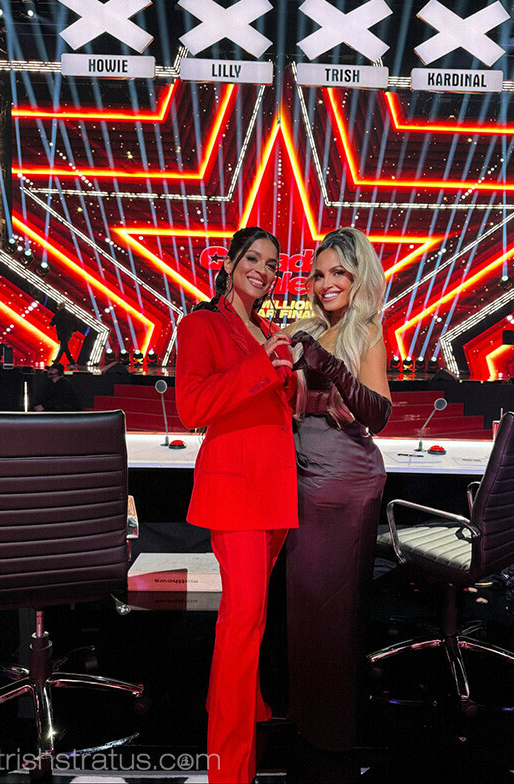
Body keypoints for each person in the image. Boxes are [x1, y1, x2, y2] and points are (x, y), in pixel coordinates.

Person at [174, 227, 298, 784]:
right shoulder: (200, 325)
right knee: (243, 622)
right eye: (253, 258)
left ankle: (246, 706)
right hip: (235, 493)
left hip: (274, 489)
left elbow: (276, 407)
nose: (263, 271)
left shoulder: (269, 330)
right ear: (227, 264)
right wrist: (263, 365)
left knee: (252, 616)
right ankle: (228, 768)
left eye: (272, 264)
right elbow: (192, 407)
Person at [284, 227, 392, 753]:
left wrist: (331, 368)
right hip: (303, 480)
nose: (325, 283)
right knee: (306, 604)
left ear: (359, 276)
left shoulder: (365, 331)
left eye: (338, 273)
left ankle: (333, 733)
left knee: (335, 607)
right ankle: (308, 719)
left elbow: (379, 414)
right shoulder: (306, 328)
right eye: (318, 274)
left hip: (345, 483)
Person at [50, 302, 77, 368]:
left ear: (60, 307)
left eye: (58, 307)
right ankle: (59, 360)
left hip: (62, 333)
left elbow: (52, 323)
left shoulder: (59, 314)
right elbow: (76, 322)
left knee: (64, 347)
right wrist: (73, 330)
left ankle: (70, 361)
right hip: (68, 333)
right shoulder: (69, 314)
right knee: (64, 347)